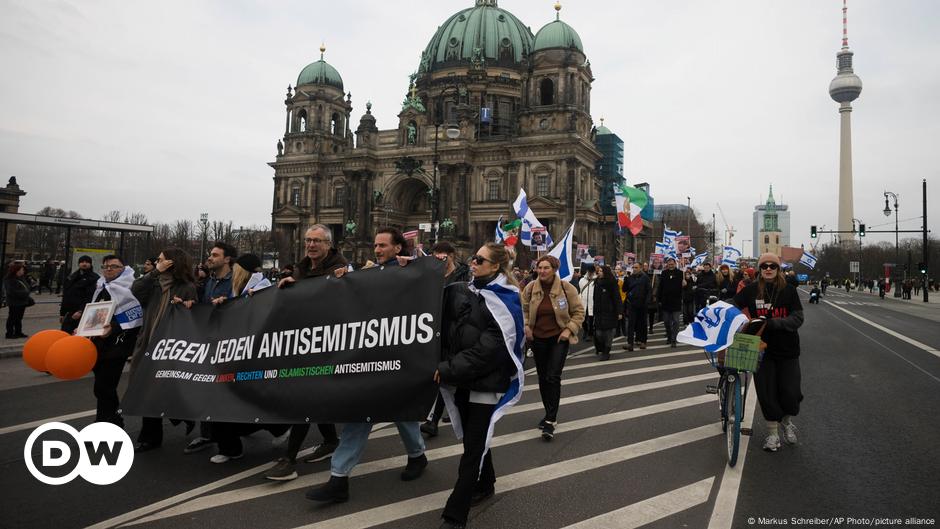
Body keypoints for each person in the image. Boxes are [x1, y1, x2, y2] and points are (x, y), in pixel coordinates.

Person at [305, 228, 427, 502]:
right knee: (364, 413)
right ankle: (339, 477)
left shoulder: (412, 270)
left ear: (398, 248)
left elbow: (430, 289)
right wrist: (344, 281)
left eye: (383, 245)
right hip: (372, 357)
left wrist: (415, 267)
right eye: (375, 244)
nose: (377, 249)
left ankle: (417, 456)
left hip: (401, 356)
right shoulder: (370, 273)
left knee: (401, 411)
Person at [436, 242, 524, 529]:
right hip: (463, 380)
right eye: (473, 258)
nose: (472, 263)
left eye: (479, 260)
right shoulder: (466, 290)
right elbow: (429, 302)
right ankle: (487, 483)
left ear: (495, 266)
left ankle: (455, 514)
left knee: (472, 449)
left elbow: (489, 351)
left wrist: (447, 370)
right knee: (477, 439)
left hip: (485, 383)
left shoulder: (506, 300)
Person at [266, 224, 347, 481]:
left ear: (329, 245)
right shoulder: (300, 269)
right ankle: (331, 440)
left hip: (328, 345)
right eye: (308, 241)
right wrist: (290, 285)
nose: (311, 245)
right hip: (303, 344)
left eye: (317, 241)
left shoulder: (341, 270)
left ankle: (289, 459)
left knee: (305, 396)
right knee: (312, 396)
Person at [733, 253, 804, 452]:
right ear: (760, 269)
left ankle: (787, 422)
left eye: (773, 266)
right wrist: (733, 317)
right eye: (764, 266)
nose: (769, 269)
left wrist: (774, 323)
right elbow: (733, 304)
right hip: (760, 350)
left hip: (787, 349)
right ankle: (773, 435)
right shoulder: (751, 290)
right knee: (766, 393)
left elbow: (798, 318)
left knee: (791, 393)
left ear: (778, 269)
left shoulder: (789, 291)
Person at [130, 248, 198, 452]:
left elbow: (194, 316)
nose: (157, 262)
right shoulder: (152, 283)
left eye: (161, 260)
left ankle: (181, 416)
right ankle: (150, 436)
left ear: (171, 263)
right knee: (146, 390)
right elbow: (135, 289)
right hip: (149, 342)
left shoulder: (186, 287)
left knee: (168, 389)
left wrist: (188, 306)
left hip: (170, 347)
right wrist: (154, 272)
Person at [521, 255, 584, 441]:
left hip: (559, 339)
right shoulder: (530, 288)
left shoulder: (567, 288)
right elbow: (523, 309)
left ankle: (550, 419)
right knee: (542, 377)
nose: (542, 271)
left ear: (554, 269)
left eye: (546, 268)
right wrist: (526, 326)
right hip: (537, 339)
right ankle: (548, 412)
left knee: (553, 376)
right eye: (539, 268)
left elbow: (579, 312)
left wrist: (569, 330)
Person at [421, 241, 470, 439]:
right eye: (436, 256)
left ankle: (436, 418)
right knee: (442, 373)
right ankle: (435, 419)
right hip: (435, 328)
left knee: (446, 373)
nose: (440, 260)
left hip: (455, 330)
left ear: (452, 256)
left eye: (443, 256)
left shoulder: (464, 275)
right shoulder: (431, 275)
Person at [89, 255, 141, 426]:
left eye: (113, 266)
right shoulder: (101, 287)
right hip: (99, 344)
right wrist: (84, 326)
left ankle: (104, 424)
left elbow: (137, 316)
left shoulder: (131, 288)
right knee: (102, 388)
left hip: (118, 344)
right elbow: (94, 312)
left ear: (123, 268)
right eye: (105, 266)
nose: (108, 269)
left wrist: (114, 327)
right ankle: (114, 420)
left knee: (105, 387)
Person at [59, 255, 100, 334]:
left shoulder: (94, 278)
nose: (84, 264)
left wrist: (81, 311)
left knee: (78, 335)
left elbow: (91, 297)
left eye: (87, 262)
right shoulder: (72, 276)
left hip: (83, 313)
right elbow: (66, 295)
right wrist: (62, 313)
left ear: (90, 264)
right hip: (70, 312)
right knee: (65, 334)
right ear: (79, 264)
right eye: (82, 262)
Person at [592, 265, 622, 361]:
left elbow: (617, 298)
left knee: (608, 333)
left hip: (610, 312)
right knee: (599, 333)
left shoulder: (612, 283)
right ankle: (602, 347)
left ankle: (606, 351)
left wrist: (619, 312)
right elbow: (594, 298)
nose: (599, 272)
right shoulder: (596, 282)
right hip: (599, 312)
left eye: (601, 271)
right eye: (599, 271)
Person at [622, 265, 651, 351]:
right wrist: (625, 280)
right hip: (632, 304)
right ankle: (630, 343)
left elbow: (649, 290)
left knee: (642, 323)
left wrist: (647, 302)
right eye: (633, 267)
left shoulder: (645, 278)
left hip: (642, 304)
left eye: (636, 267)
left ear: (640, 268)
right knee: (631, 324)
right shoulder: (630, 278)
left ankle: (643, 341)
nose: (634, 269)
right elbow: (624, 289)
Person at [657, 257, 684, 347]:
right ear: (667, 265)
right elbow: (660, 287)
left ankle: (674, 339)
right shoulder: (664, 273)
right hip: (666, 301)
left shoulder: (680, 273)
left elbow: (684, 287)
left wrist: (685, 283)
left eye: (672, 264)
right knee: (666, 321)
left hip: (676, 301)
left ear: (675, 264)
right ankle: (669, 336)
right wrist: (659, 299)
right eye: (669, 264)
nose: (671, 266)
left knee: (676, 321)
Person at [4, 263, 32, 339]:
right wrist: (25, 293)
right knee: (12, 318)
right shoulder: (10, 279)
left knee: (19, 318)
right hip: (14, 302)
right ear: (17, 271)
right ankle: (9, 333)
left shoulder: (21, 278)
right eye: (21, 269)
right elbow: (11, 291)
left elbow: (26, 286)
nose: (23, 271)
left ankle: (18, 332)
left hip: (22, 302)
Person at [578, 266, 596, 340]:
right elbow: (580, 290)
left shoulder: (596, 280)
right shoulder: (582, 280)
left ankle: (590, 333)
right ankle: (585, 331)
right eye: (589, 272)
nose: (590, 273)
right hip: (583, 302)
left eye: (591, 272)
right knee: (583, 319)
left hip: (592, 302)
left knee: (591, 319)